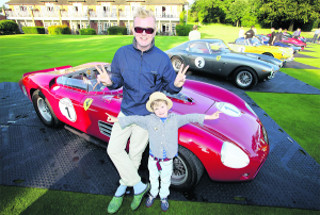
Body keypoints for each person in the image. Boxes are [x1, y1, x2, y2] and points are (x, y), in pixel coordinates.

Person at [95, 7, 189, 214]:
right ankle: (138, 185)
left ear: (155, 31)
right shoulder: (122, 54)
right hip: (126, 111)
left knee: (135, 154)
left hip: (148, 117)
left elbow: (170, 88)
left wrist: (178, 84)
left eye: (149, 29)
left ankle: (123, 186)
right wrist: (110, 81)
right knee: (114, 149)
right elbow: (116, 81)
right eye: (139, 28)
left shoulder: (162, 59)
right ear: (133, 29)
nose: (144, 33)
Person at [106, 91, 221, 212]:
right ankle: (152, 194)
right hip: (153, 159)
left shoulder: (175, 119)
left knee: (165, 180)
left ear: (167, 106)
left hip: (167, 161)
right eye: (156, 109)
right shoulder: (149, 120)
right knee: (153, 179)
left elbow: (190, 117)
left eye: (162, 107)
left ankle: (164, 197)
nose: (160, 110)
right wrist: (117, 119)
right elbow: (135, 119)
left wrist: (209, 117)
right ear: (153, 111)